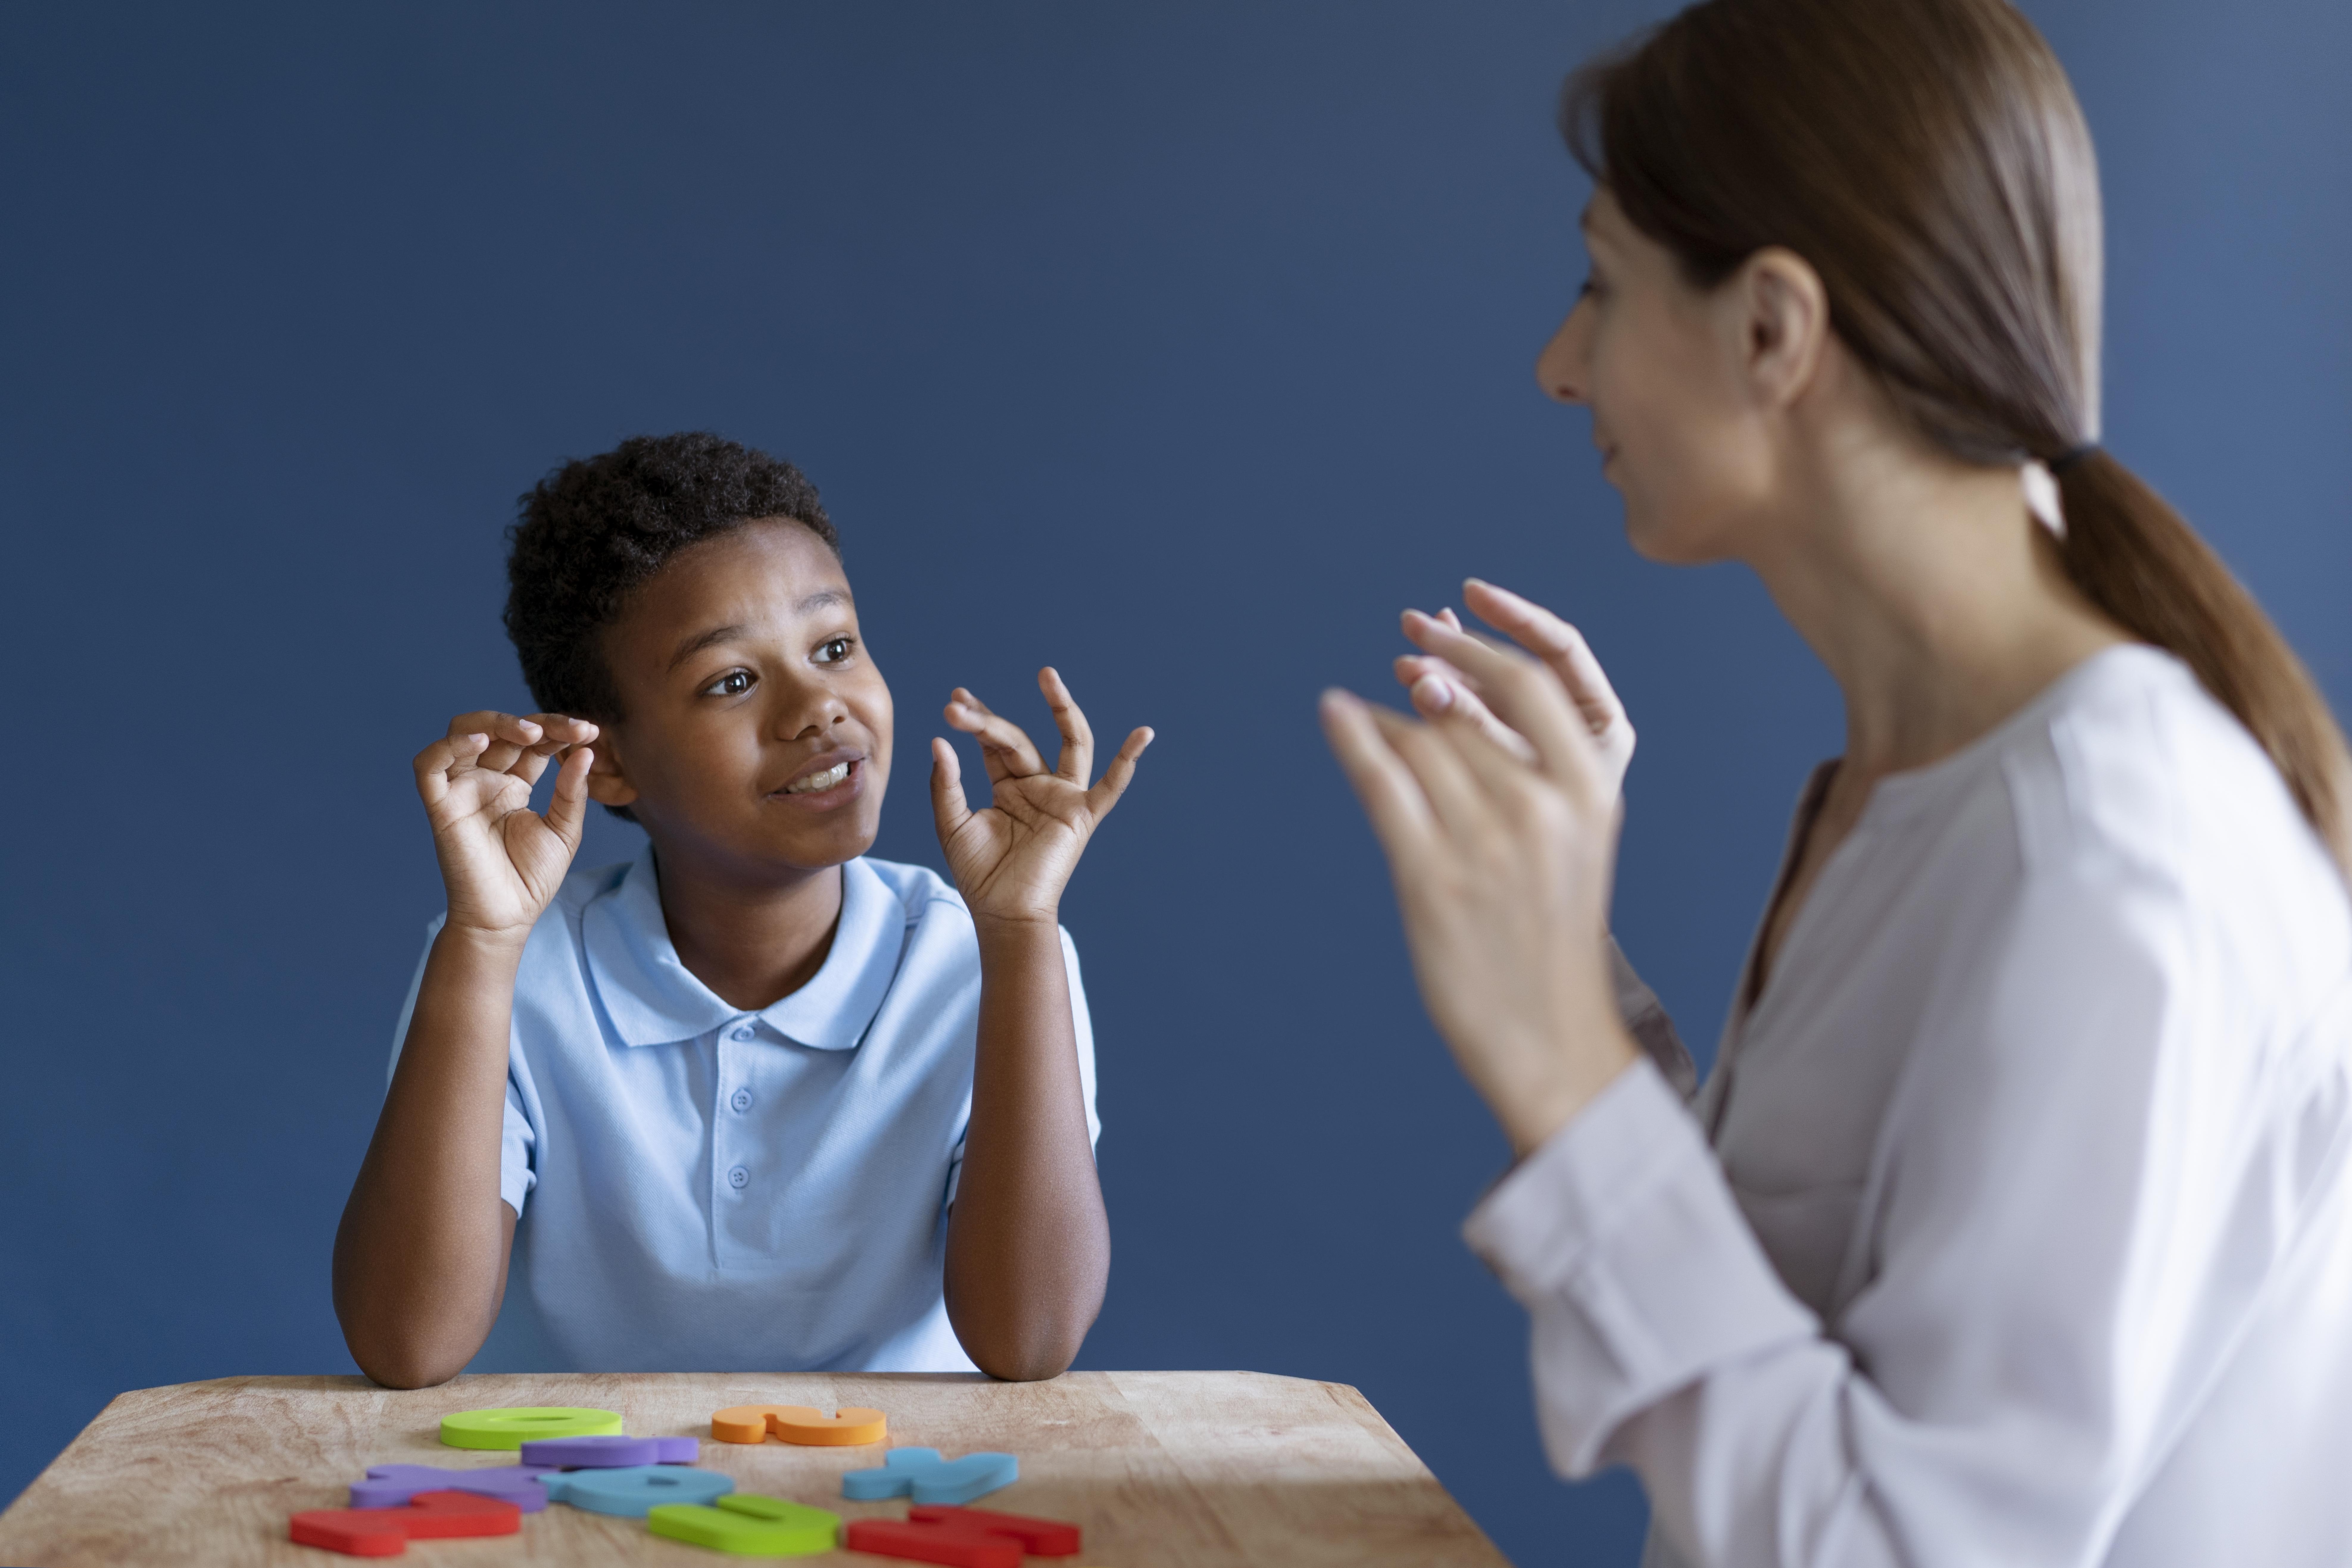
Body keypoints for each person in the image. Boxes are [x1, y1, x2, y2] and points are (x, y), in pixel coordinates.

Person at [1319, 1, 2352, 1563]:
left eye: (1600, 285)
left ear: (1769, 330)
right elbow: (1791, 1330)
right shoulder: (1922, 788)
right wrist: (1568, 979)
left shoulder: (2107, 861)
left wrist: (1556, 1062)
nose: (1556, 365)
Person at [333, 432, 1150, 1387]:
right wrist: (480, 938)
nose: (817, 706)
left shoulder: (985, 953)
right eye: (731, 681)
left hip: (890, 1502)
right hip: (585, 1509)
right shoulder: (509, 966)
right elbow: (405, 1344)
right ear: (613, 765)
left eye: (834, 646)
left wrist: (1020, 937)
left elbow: (1030, 1338)